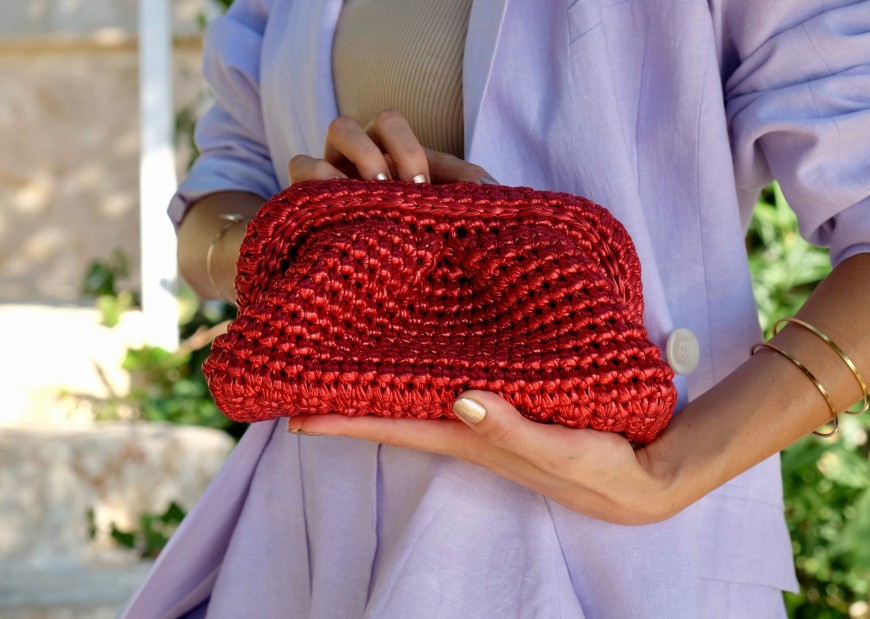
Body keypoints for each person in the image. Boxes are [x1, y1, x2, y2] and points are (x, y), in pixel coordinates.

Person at [121, 1, 870, 617]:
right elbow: (223, 185)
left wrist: (668, 475)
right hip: (304, 532)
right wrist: (300, 235)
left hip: (603, 538)